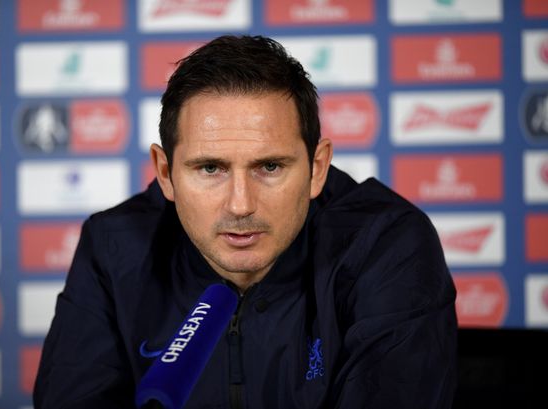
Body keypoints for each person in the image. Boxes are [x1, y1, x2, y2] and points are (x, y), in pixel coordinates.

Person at [34, 35, 457, 409]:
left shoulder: (386, 244)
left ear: (317, 168)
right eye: (210, 168)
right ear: (165, 173)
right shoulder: (114, 247)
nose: (240, 205)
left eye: (269, 167)